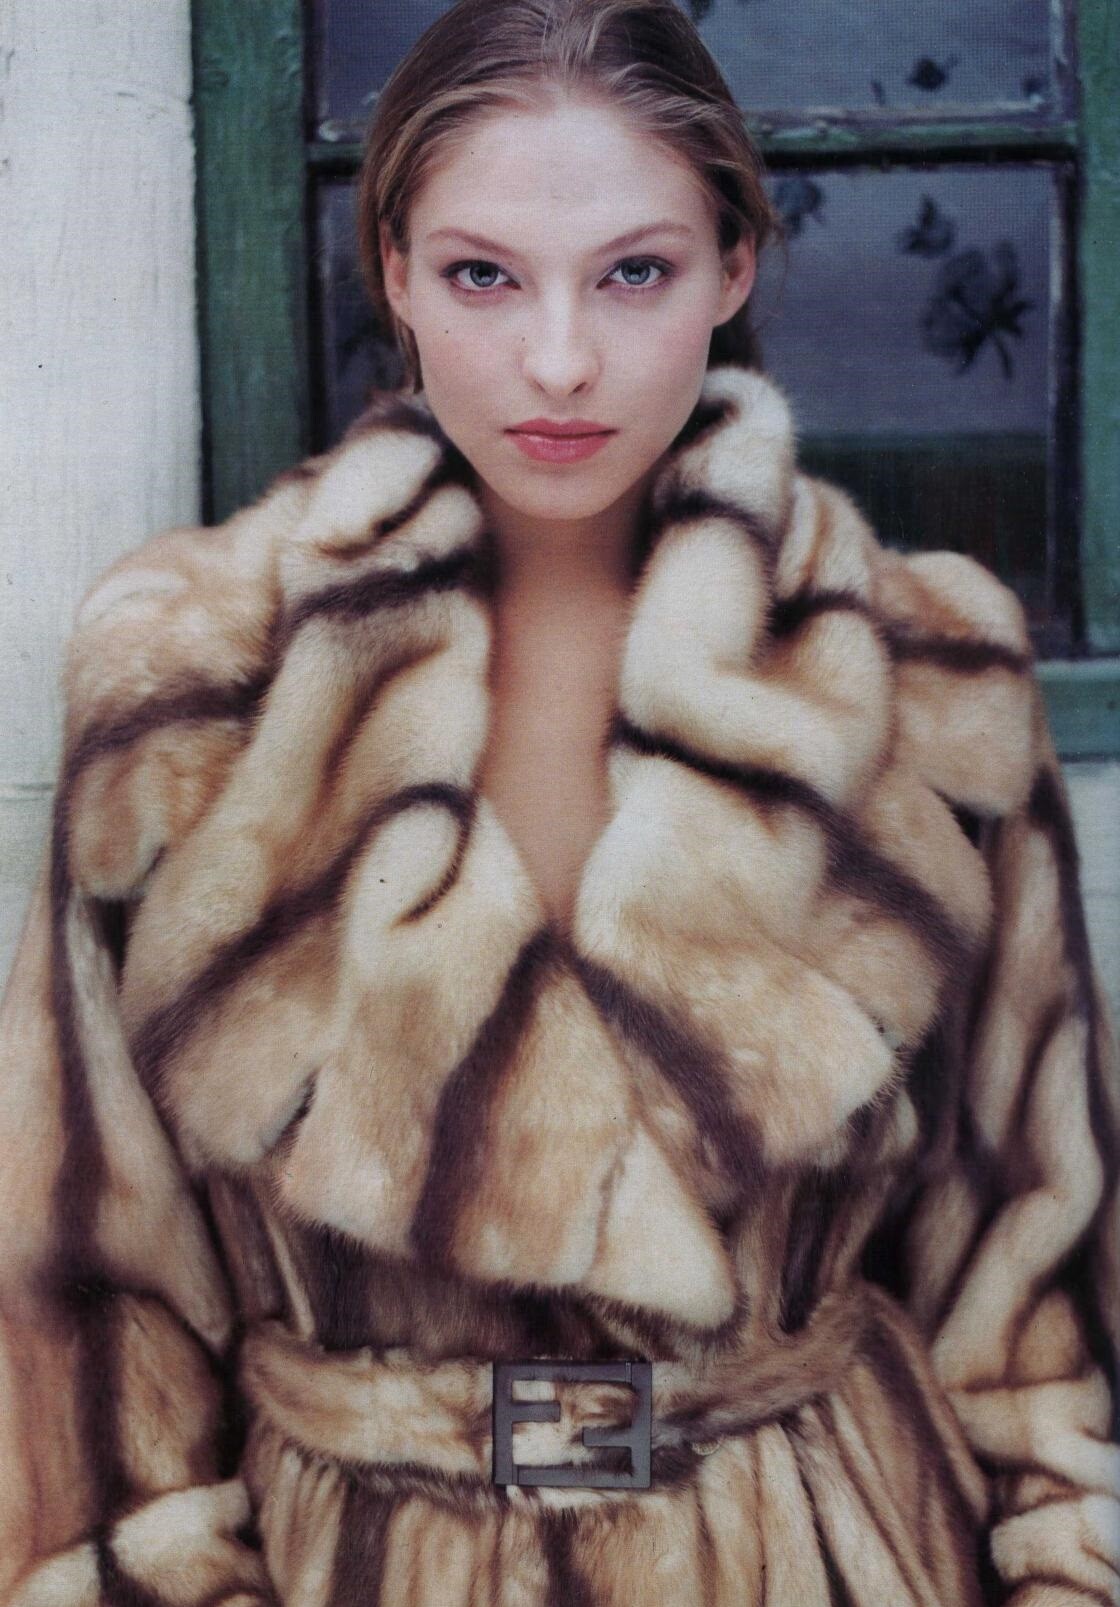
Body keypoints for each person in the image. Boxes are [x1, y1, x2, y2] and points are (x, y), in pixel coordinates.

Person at [1, 0, 1117, 1601]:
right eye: (483, 276)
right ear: (394, 272)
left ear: (734, 268)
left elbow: (1036, 1292)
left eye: (635, 273)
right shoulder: (192, 686)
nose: (560, 359)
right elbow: (84, 1310)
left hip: (826, 1552)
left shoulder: (927, 680)